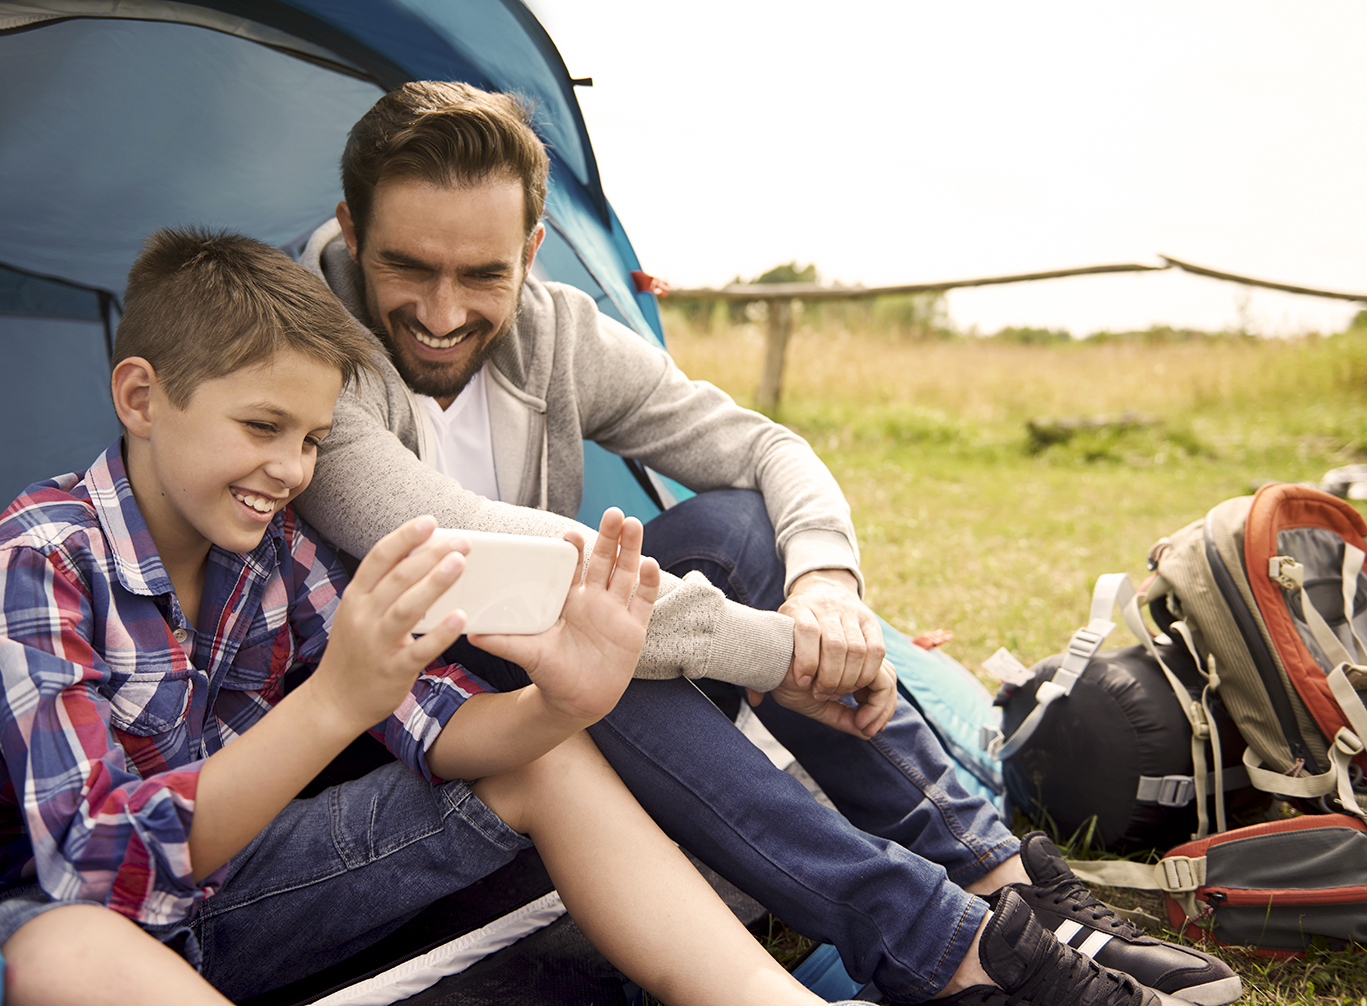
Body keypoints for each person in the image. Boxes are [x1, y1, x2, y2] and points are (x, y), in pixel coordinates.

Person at [293, 80, 1243, 1006]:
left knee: (739, 527)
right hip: (415, 712)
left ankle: (1000, 881)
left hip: (561, 661)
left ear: (534, 250)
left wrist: (828, 588)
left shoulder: (555, 331)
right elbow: (503, 568)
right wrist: (788, 653)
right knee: (574, 629)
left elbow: (762, 445)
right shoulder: (300, 355)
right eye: (408, 267)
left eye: (483, 274)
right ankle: (943, 943)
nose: (445, 311)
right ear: (352, 222)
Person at [0, 227, 884, 1006]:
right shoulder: (39, 557)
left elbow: (431, 719)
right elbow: (95, 862)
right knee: (55, 949)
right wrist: (331, 704)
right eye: (261, 427)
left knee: (543, 756)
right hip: (95, 930)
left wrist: (563, 704)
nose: (292, 469)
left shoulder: (275, 548)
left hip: (246, 895)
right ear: (142, 399)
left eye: (314, 439)